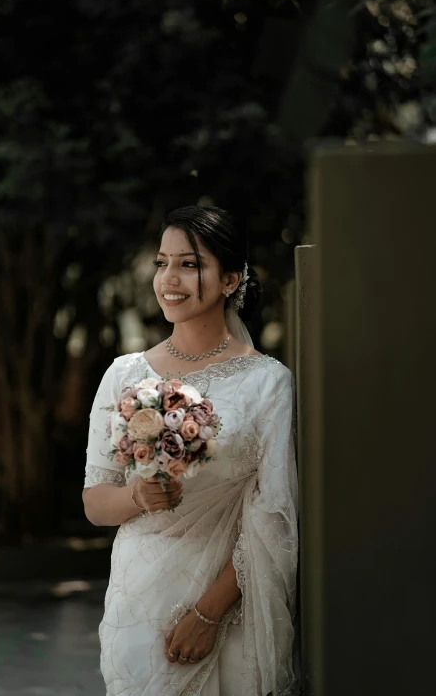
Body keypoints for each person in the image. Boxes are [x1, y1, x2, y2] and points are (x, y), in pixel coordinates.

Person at [83, 206, 299, 696]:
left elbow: (273, 517)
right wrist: (139, 496)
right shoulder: (124, 375)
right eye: (162, 263)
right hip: (138, 600)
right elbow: (95, 502)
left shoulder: (268, 383)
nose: (169, 279)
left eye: (190, 264)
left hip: (230, 603)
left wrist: (208, 613)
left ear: (230, 280)